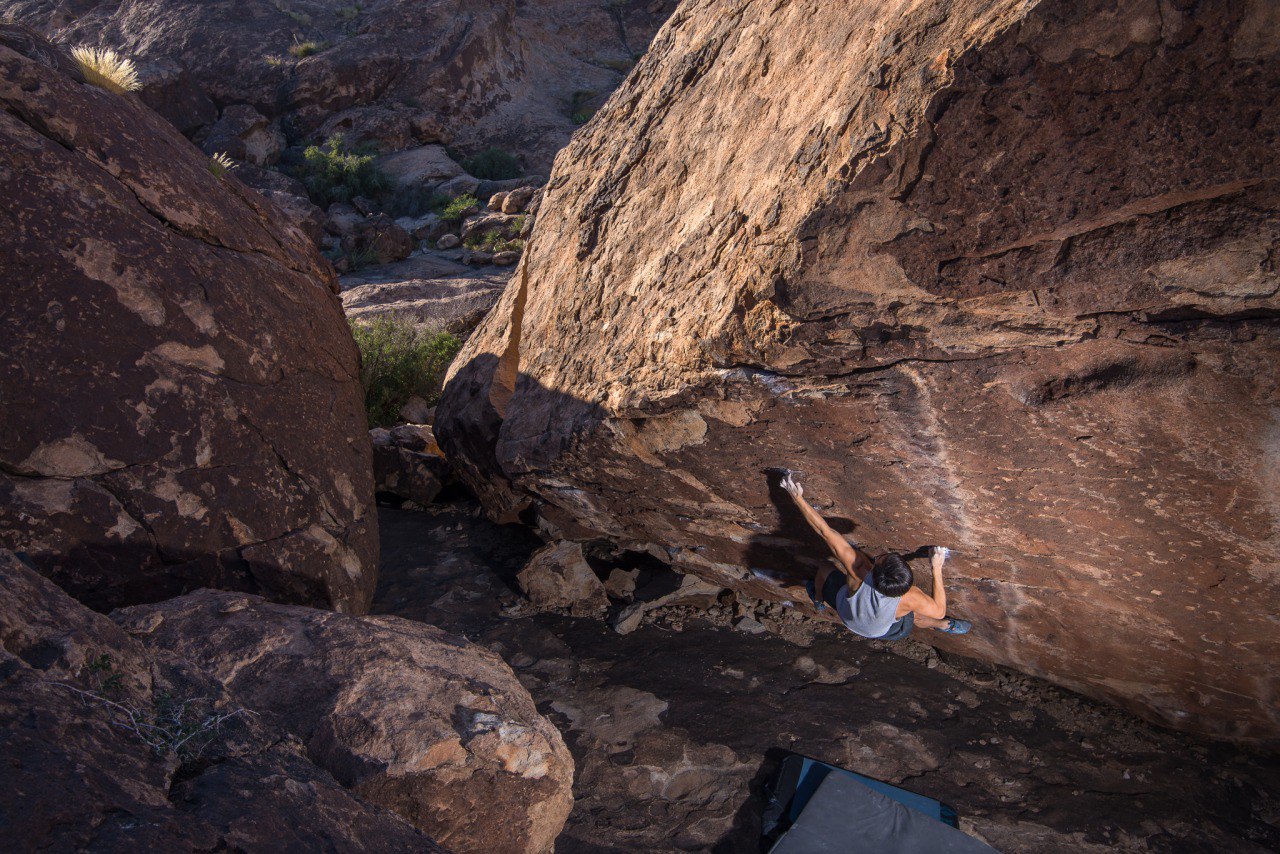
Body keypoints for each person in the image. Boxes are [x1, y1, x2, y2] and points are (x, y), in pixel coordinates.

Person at [779, 471, 971, 640]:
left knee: (824, 568)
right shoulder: (910, 596)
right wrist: (936, 568)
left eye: (882, 558)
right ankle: (945, 626)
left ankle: (819, 600)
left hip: (849, 617)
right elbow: (939, 611)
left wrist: (798, 499)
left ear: (874, 571)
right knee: (912, 614)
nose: (884, 553)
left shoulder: (859, 571)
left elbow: (825, 532)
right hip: (887, 631)